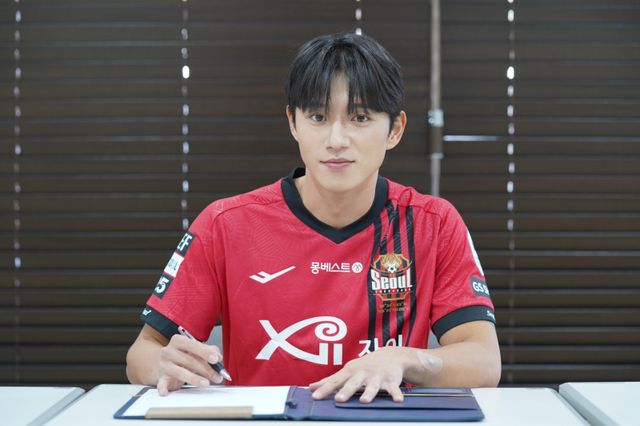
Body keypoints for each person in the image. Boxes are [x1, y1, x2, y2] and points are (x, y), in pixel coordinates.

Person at [126, 32, 501, 403]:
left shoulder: (433, 223)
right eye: (318, 117)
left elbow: (484, 362)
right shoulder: (224, 224)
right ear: (293, 122)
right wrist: (164, 364)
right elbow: (142, 354)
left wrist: (404, 359)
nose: (336, 139)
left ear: (395, 129)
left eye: (359, 117)